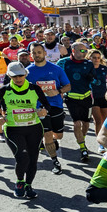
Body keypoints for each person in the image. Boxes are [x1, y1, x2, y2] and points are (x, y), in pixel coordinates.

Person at [0, 63, 50, 199]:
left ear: (25, 75)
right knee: (22, 158)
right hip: (13, 129)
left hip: (34, 128)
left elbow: (46, 104)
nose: (18, 79)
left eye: (21, 75)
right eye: (14, 76)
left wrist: (45, 110)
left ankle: (29, 185)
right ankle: (19, 182)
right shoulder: (5, 90)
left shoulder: (34, 88)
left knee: (33, 159)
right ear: (9, 76)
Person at [26, 43, 71, 174]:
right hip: (39, 108)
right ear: (31, 54)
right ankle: (55, 161)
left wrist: (58, 91)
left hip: (55, 105)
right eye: (34, 53)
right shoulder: (28, 72)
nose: (37, 55)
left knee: (59, 135)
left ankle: (53, 140)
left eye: (39, 52)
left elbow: (68, 86)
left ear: (45, 53)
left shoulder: (56, 69)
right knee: (47, 135)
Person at [62, 42, 97, 162]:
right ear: (73, 51)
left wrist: (92, 77)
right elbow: (57, 77)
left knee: (86, 124)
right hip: (71, 97)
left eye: (85, 51)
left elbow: (95, 78)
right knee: (77, 123)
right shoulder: (63, 62)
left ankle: (82, 139)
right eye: (81, 51)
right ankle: (83, 148)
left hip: (86, 97)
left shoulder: (88, 63)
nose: (84, 53)